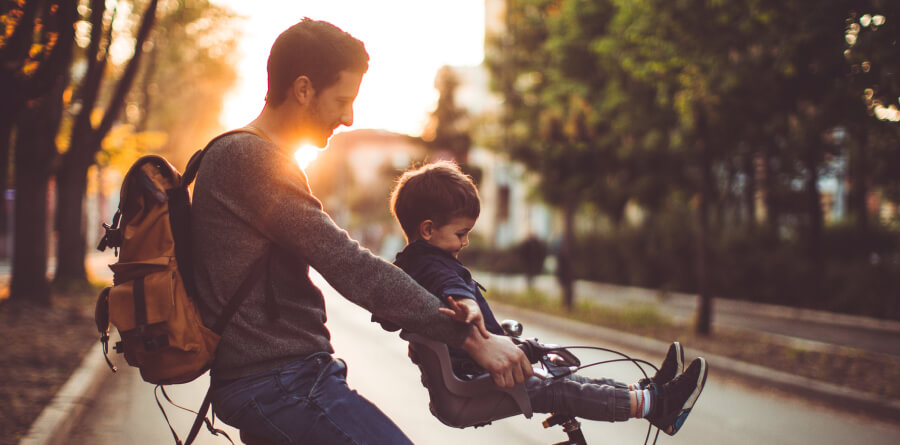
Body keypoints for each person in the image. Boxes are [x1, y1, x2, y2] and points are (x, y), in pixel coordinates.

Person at [190, 19, 533, 445]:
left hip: (284, 379)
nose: (349, 118)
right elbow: (348, 263)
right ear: (302, 89)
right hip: (279, 384)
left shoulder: (256, 156)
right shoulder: (251, 159)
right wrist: (471, 338)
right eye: (342, 100)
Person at [385, 160, 708, 436]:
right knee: (563, 389)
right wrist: (468, 307)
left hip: (473, 377)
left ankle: (647, 392)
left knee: (567, 380)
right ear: (428, 230)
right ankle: (656, 405)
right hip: (473, 383)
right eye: (461, 233)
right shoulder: (433, 264)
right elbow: (452, 288)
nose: (466, 242)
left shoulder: (410, 265)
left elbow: (391, 313)